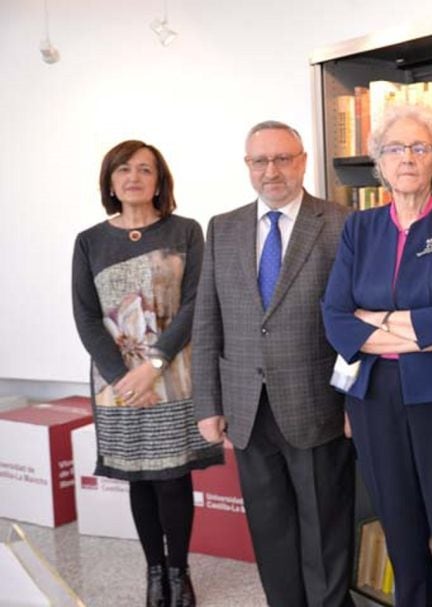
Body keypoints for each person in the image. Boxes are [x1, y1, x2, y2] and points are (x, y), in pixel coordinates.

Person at [322, 103, 432, 607]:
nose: (408, 158)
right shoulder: (359, 227)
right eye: (396, 149)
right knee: (399, 525)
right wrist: (415, 328)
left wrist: (376, 319)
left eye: (421, 148)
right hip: (374, 399)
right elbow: (335, 316)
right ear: (380, 162)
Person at [190, 121, 353, 607]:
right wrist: (207, 403)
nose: (271, 170)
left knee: (325, 530)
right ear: (247, 167)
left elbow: (352, 321)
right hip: (246, 407)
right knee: (270, 528)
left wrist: (352, 401)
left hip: (317, 405)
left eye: (283, 158)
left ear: (303, 161)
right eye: (260, 161)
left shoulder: (341, 223)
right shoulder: (222, 226)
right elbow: (206, 321)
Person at [71, 140, 224, 607]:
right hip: (117, 382)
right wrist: (122, 376)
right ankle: (154, 573)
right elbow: (85, 315)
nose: (133, 177)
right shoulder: (90, 241)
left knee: (173, 477)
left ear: (160, 181)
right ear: (110, 181)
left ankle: (179, 574)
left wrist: (154, 364)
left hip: (174, 373)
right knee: (140, 477)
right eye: (123, 170)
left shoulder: (185, 231)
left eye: (144, 170)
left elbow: (198, 303)